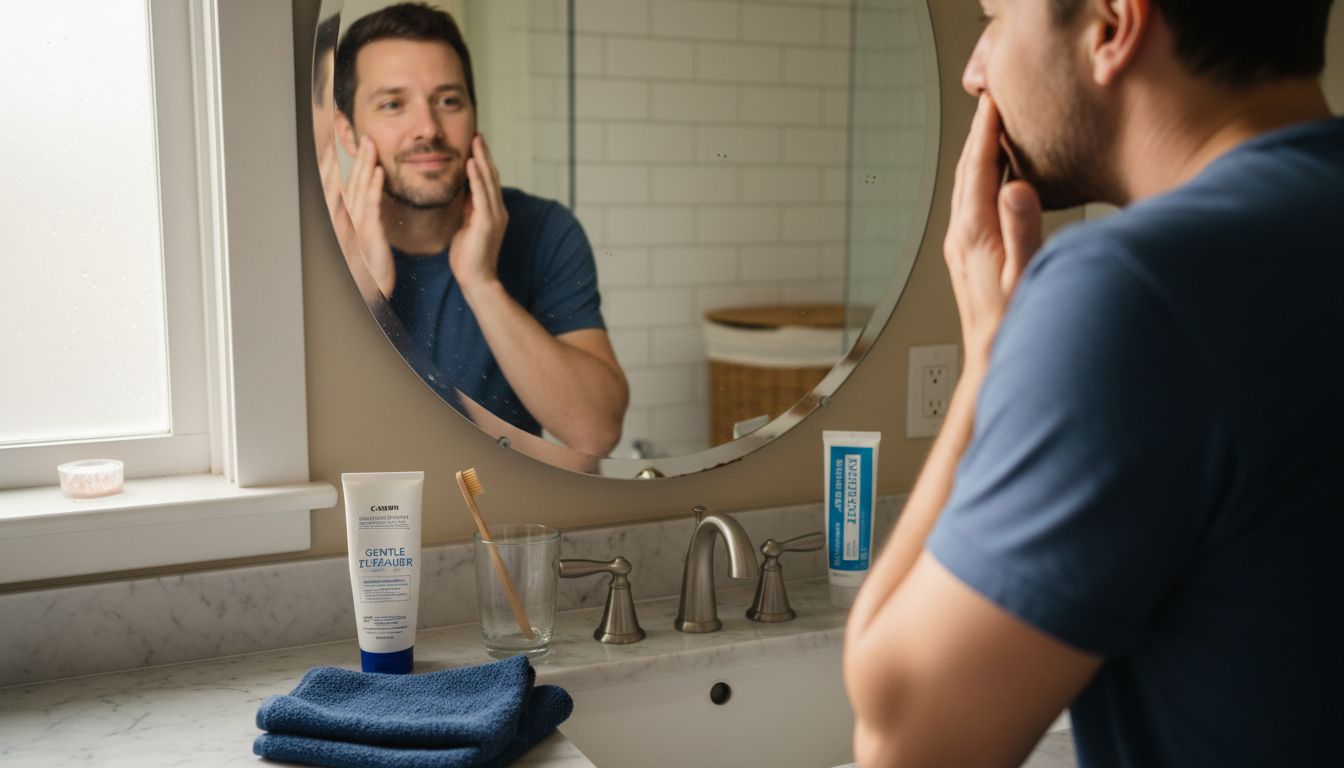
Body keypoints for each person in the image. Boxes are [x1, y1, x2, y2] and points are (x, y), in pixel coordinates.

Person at [843, 1, 1342, 766]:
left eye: (995, 19)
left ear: (1111, 25)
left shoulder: (1135, 291)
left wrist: (988, 356)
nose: (976, 71)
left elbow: (905, 738)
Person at [331, 3, 628, 456]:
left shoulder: (544, 229)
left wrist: (482, 283)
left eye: (448, 101)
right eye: (393, 104)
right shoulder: (312, 243)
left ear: (474, 114)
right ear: (348, 131)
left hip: (507, 521)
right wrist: (363, 296)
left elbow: (596, 432)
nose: (428, 129)